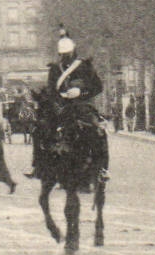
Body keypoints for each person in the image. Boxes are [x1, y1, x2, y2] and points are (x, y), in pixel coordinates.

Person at [30, 28, 104, 178]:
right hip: (62, 106)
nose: (65, 57)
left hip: (82, 104)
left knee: (98, 132)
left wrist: (81, 92)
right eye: (63, 55)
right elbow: (51, 89)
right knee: (40, 130)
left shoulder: (84, 66)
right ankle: (39, 165)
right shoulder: (55, 69)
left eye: (67, 54)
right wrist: (58, 97)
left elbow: (97, 87)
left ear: (73, 52)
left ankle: (101, 168)